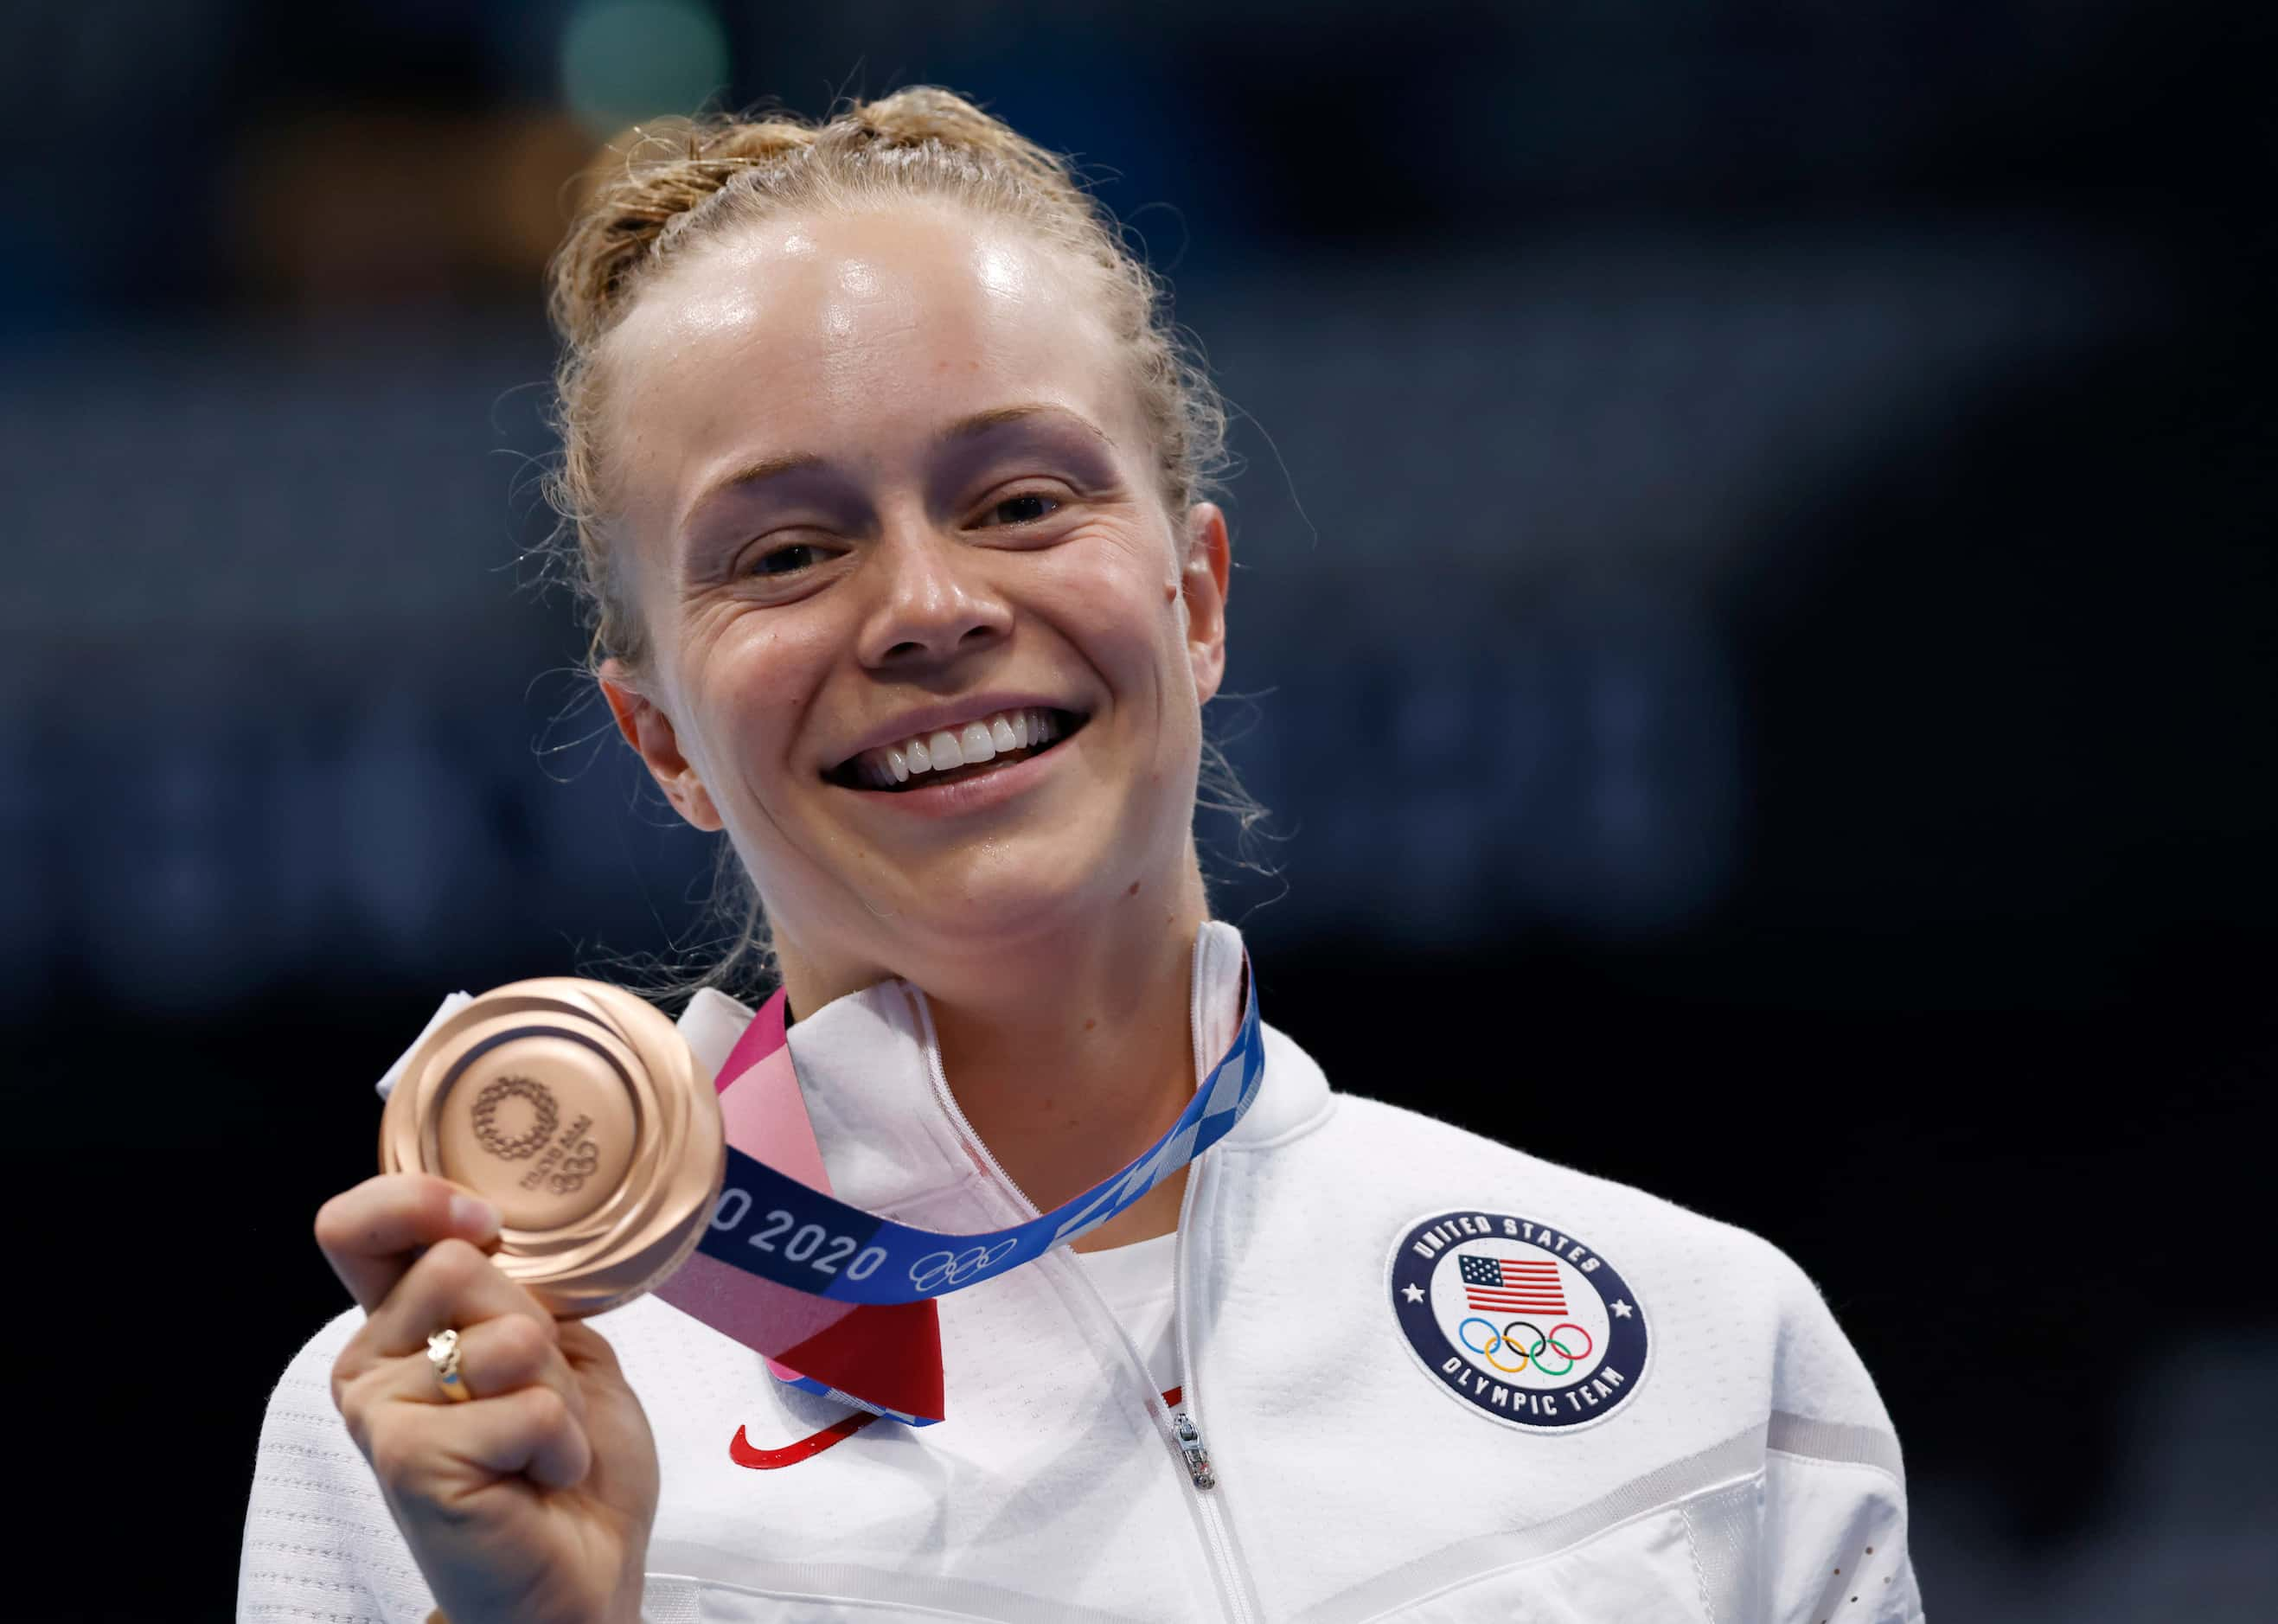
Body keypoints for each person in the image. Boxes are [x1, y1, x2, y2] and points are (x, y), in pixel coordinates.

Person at [240, 88, 1924, 1623]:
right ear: (660, 734)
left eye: (1023, 500)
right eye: (788, 548)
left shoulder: (1700, 1348)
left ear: (1194, 599)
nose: (929, 607)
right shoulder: (458, 1425)